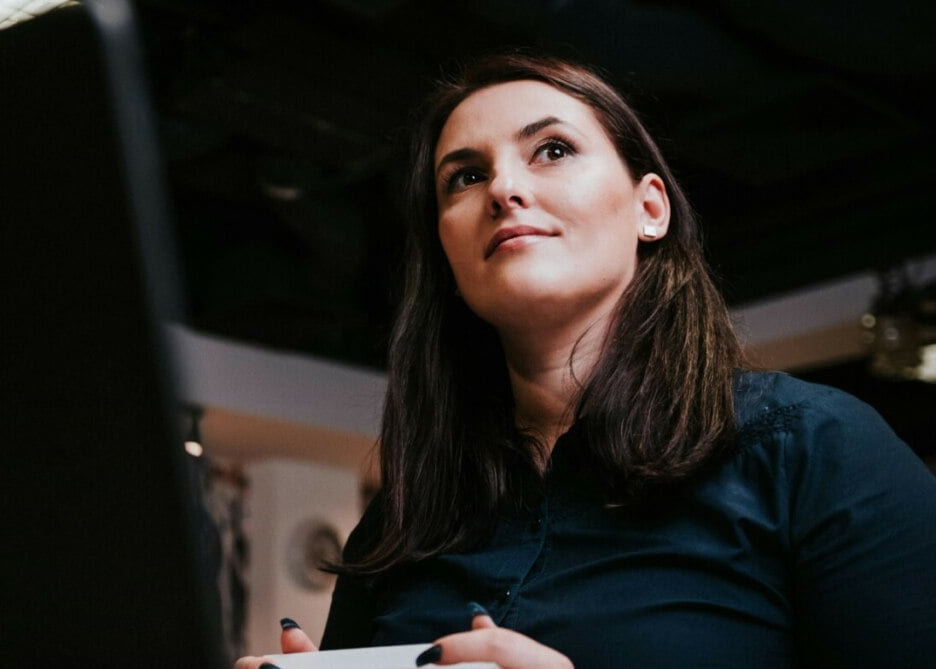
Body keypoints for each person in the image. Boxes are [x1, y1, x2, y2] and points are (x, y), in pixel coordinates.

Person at [236, 52, 936, 668]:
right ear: (447, 256)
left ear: (649, 208)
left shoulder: (814, 449)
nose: (503, 190)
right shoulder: (402, 519)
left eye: (552, 150)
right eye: (465, 176)